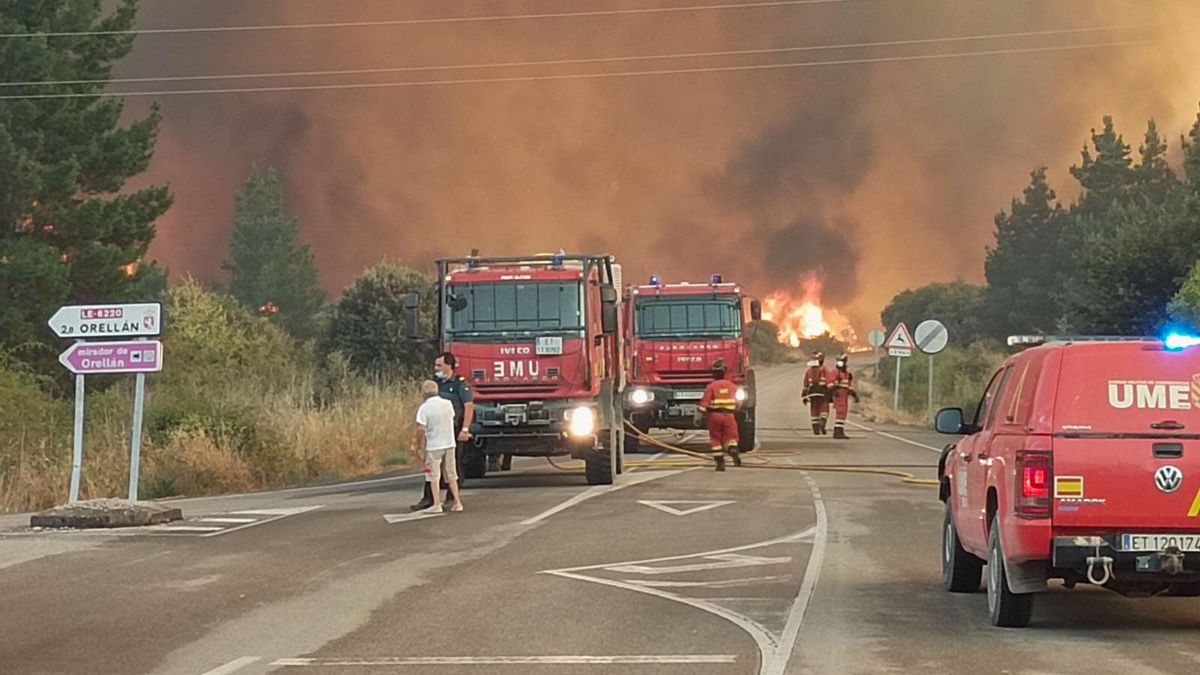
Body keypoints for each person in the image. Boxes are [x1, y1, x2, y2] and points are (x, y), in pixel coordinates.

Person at [411, 352, 476, 511]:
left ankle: (452, 498)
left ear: (449, 366)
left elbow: (468, 407)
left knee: (454, 466)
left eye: (439, 365)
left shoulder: (460, 384)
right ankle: (429, 498)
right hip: (435, 431)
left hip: (453, 430)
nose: (436, 368)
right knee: (432, 467)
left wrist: (465, 429)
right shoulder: (436, 384)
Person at [412, 380, 464, 513]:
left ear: (424, 393)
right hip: (450, 443)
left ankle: (436, 503)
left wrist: (418, 446)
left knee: (434, 475)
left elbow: (421, 429)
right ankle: (457, 502)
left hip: (434, 445)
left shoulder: (424, 408)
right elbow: (452, 420)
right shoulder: (448, 404)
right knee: (451, 474)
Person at [696, 359, 742, 468]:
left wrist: (699, 417)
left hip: (714, 416)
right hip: (729, 416)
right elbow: (738, 403)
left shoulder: (711, 386)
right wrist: (735, 411)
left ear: (713, 373)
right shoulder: (732, 386)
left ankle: (720, 463)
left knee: (715, 439)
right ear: (724, 372)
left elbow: (704, 403)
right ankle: (732, 449)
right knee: (732, 437)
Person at [802, 351, 834, 435]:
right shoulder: (824, 369)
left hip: (812, 393)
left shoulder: (808, 371)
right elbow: (829, 381)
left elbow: (806, 385)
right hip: (823, 392)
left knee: (814, 410)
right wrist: (832, 391)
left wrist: (804, 396)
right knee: (824, 409)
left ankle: (816, 430)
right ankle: (822, 423)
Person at [829, 353, 860, 439]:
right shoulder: (835, 372)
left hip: (844, 394)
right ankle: (837, 432)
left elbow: (848, 385)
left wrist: (853, 393)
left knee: (844, 413)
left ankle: (840, 430)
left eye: (843, 361)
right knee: (841, 412)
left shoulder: (846, 374)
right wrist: (833, 390)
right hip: (838, 393)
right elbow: (830, 383)